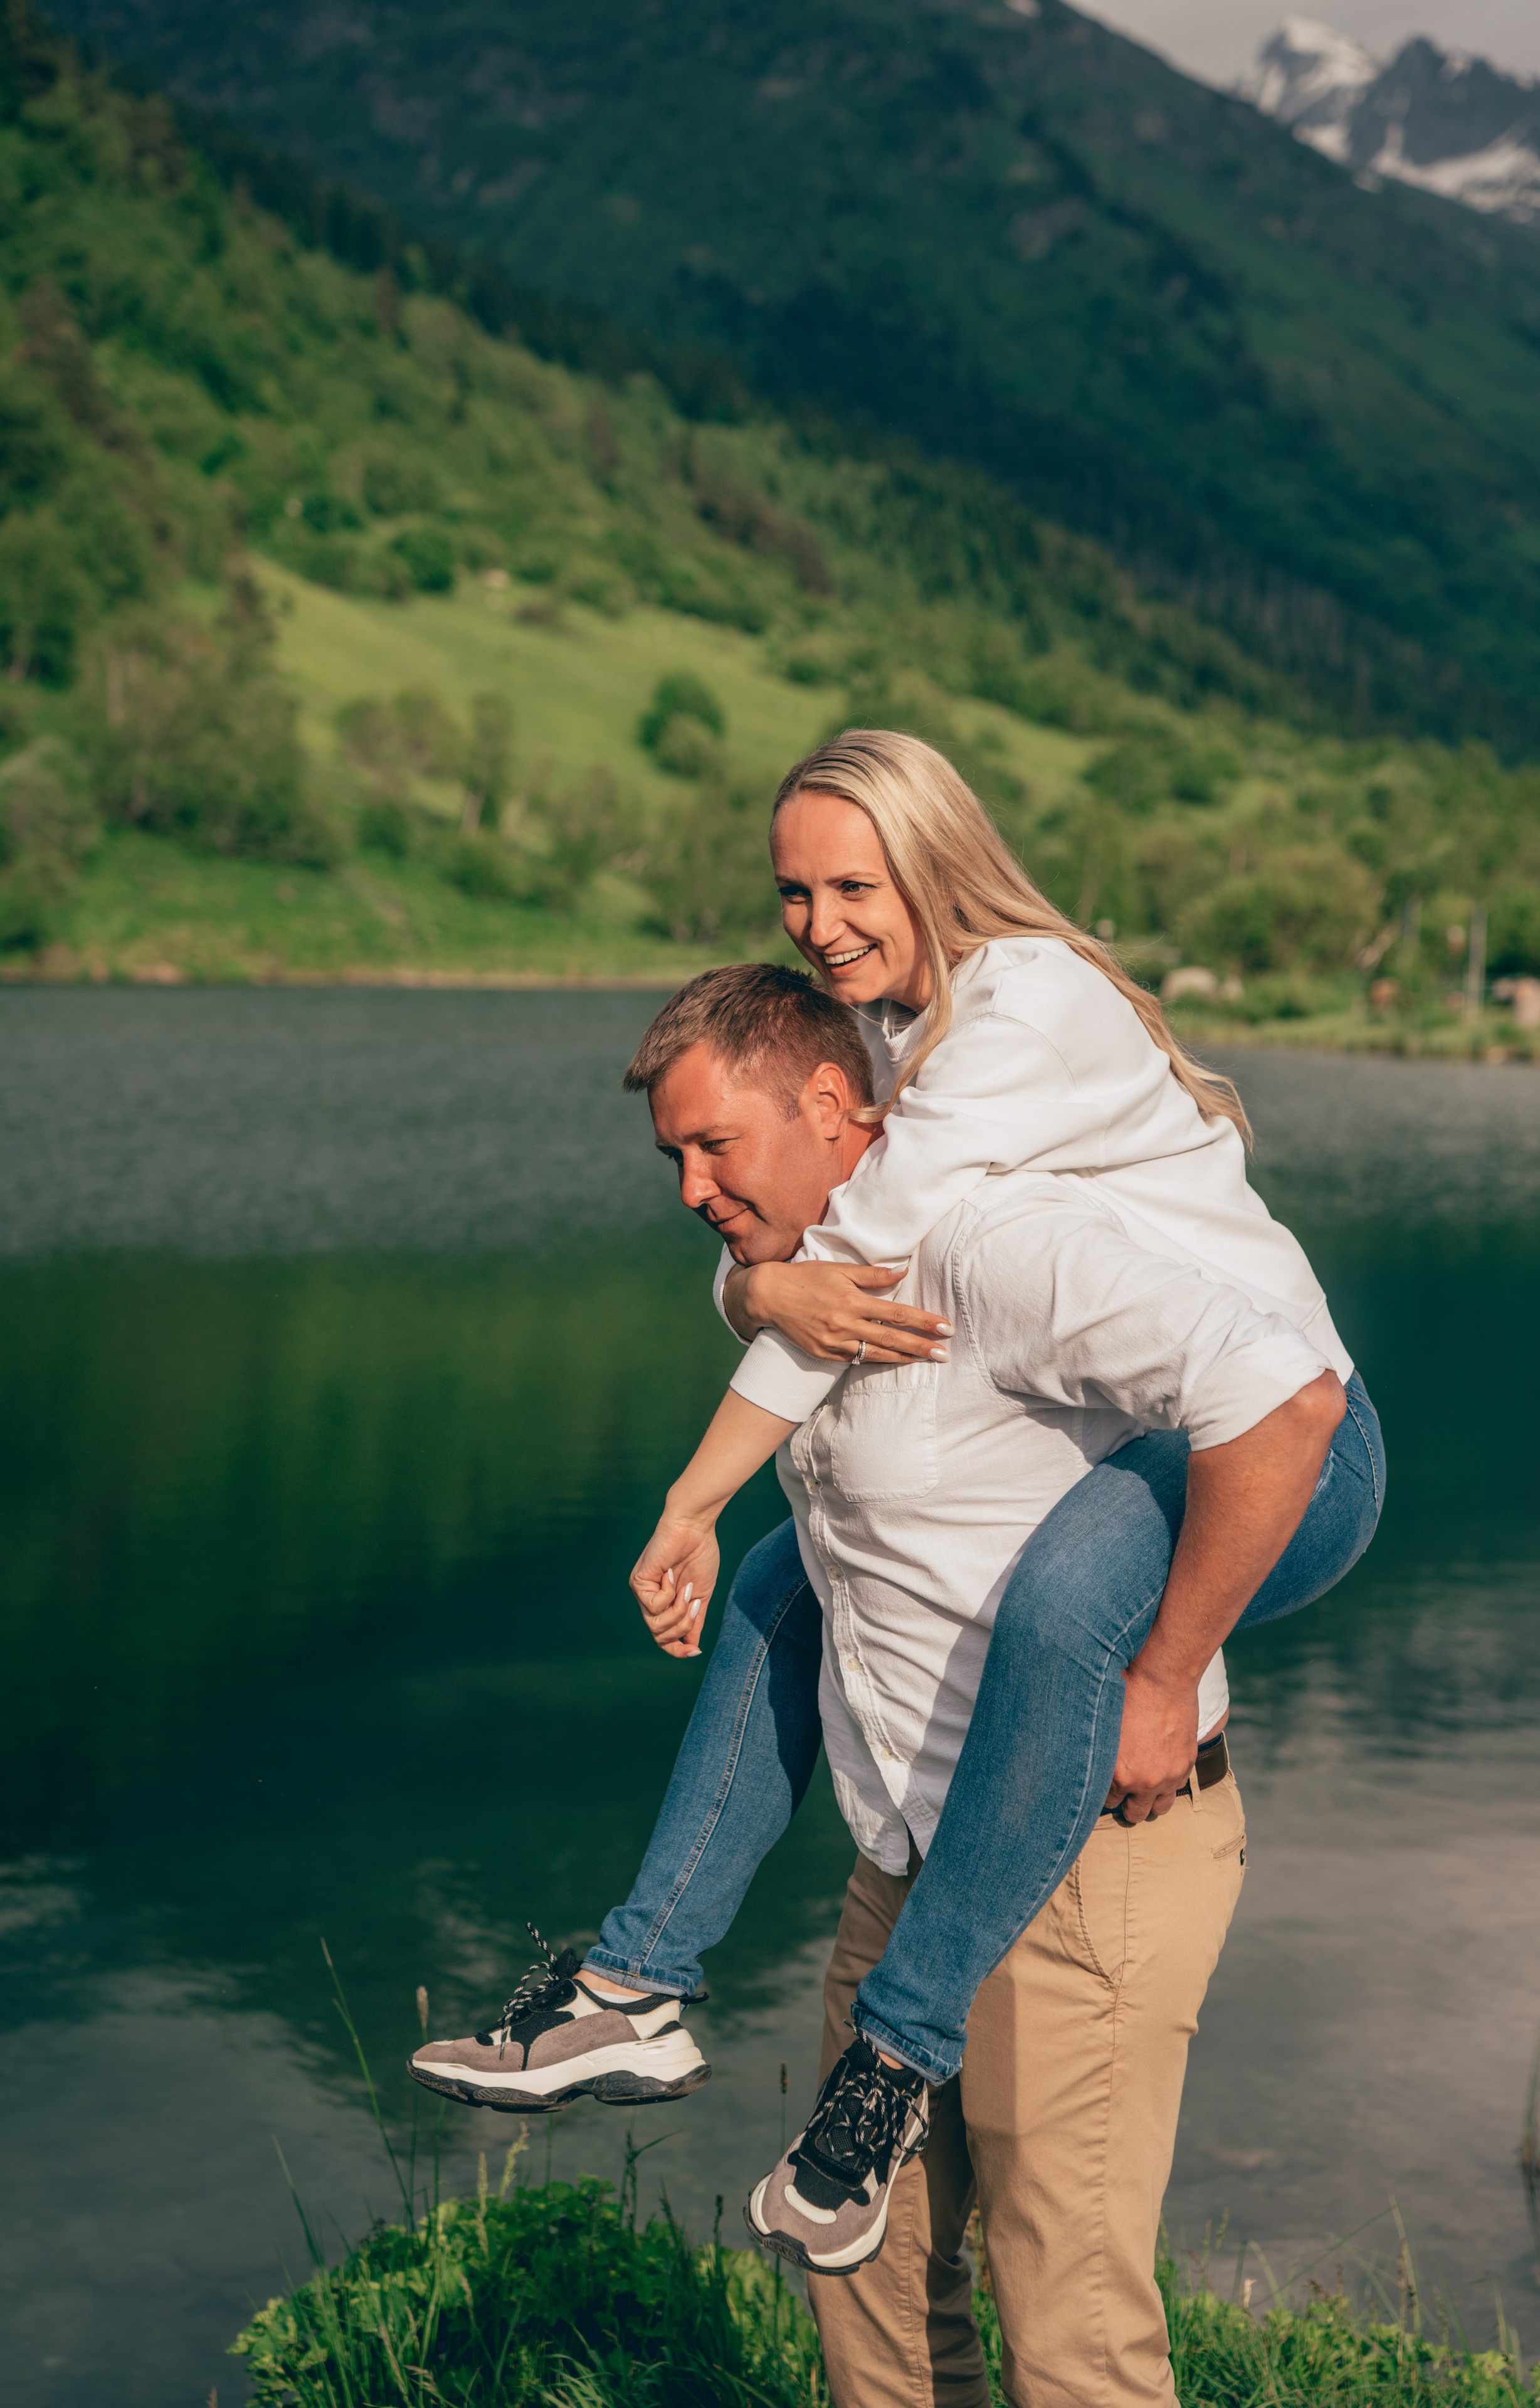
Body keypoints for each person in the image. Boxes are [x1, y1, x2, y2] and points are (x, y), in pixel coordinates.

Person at [409, 732, 1383, 2278]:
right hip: (1187, 1414)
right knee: (781, 1583)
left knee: (1071, 1601)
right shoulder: (905, 1034)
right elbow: (805, 1238)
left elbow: (860, 1236)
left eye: (850, 881)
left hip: (1291, 1439)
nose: (817, 918)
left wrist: (1158, 1681)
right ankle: (636, 1985)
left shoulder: (1022, 1004)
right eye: (793, 889)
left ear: (932, 860)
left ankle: (892, 2053)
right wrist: (748, 1282)